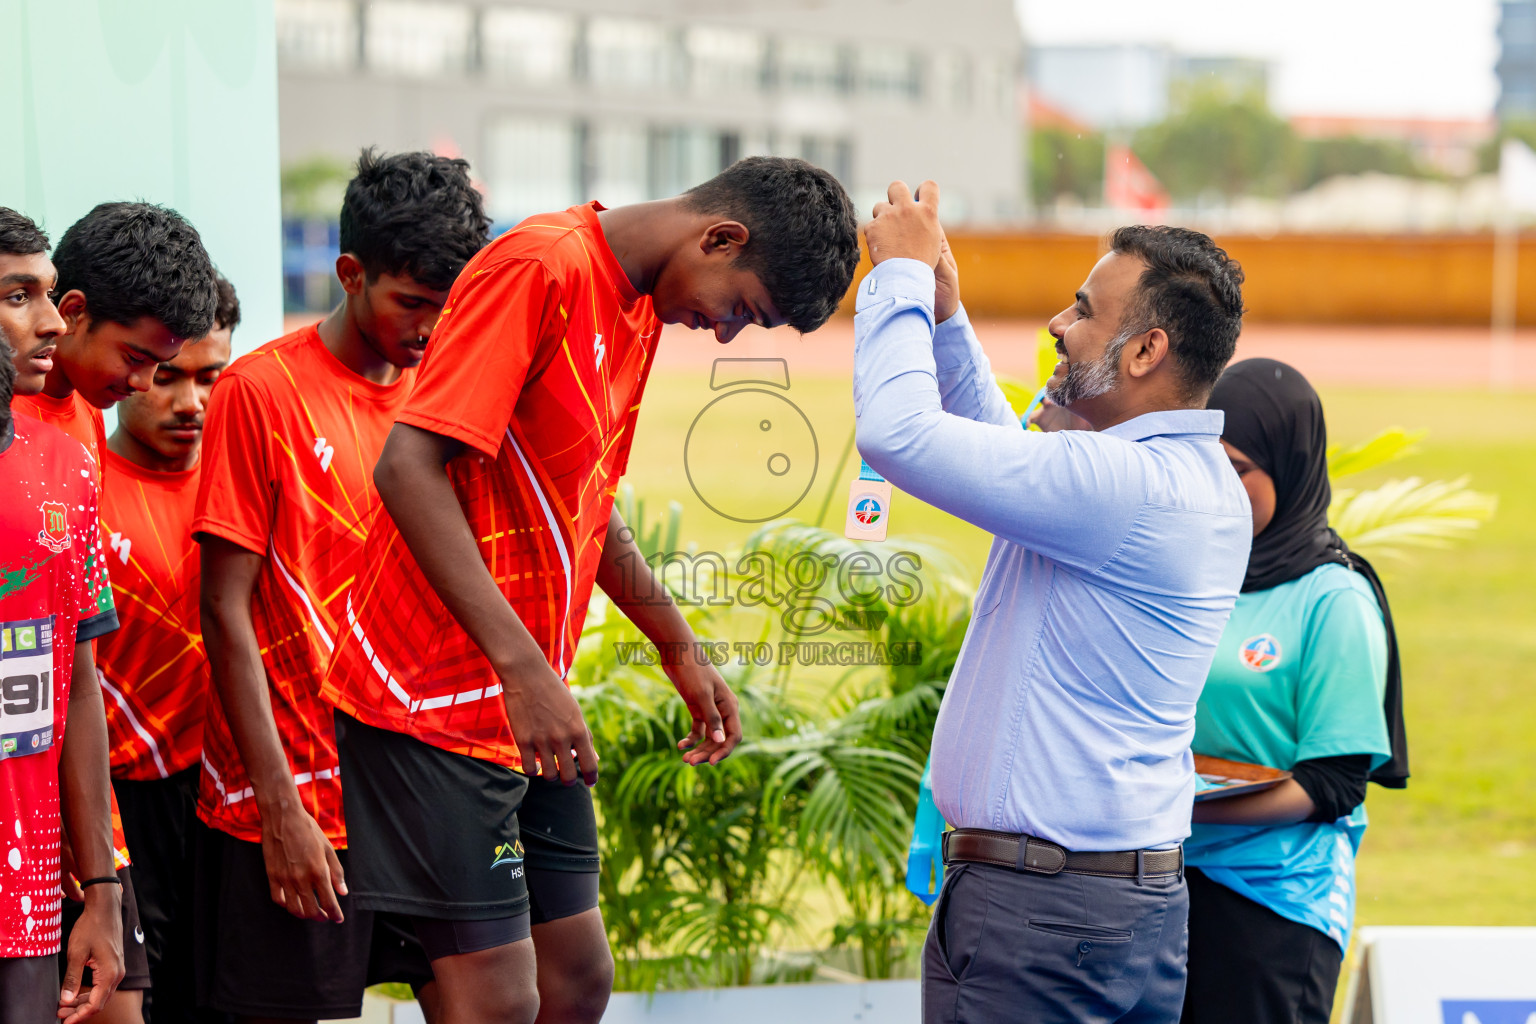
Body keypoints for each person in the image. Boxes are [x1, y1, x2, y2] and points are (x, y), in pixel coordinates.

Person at [318, 155, 860, 1024]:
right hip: (426, 699)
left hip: (520, 698)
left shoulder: (638, 307)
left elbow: (588, 503)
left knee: (576, 980)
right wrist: (523, 671)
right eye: (740, 311)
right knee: (496, 999)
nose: (723, 335)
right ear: (721, 238)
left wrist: (680, 650)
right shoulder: (541, 267)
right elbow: (407, 466)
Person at [853, 184, 1252, 1024]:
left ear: (1145, 351)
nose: (1056, 326)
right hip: (1113, 905)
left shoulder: (1118, 484)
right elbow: (1009, 456)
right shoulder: (1177, 480)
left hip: (1040, 912)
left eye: (1082, 310)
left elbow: (898, 435)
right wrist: (947, 317)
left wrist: (895, 279)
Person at [192, 148, 490, 1022]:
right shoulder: (261, 392)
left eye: (449, 305)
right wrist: (281, 809)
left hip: (422, 789)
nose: (432, 327)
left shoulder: (449, 395)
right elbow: (225, 608)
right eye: (411, 302)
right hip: (296, 799)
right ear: (350, 274)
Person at [10, 202, 217, 1024]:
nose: (140, 385)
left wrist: (100, 874)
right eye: (137, 359)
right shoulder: (12, 425)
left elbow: (77, 665)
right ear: (74, 312)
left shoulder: (84, 428)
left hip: (86, 807)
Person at [1180, 358, 1406, 1024]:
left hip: (1274, 910)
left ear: (1289, 464)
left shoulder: (1333, 599)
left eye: (1239, 468)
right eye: (1206, 462)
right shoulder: (1186, 575)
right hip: (1161, 891)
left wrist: (1179, 812)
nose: (1219, 486)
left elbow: (1334, 783)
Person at [94, 271, 238, 1024]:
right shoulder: (82, 486)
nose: (190, 403)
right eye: (168, 377)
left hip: (231, 797)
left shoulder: (245, 476)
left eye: (212, 376)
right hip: (123, 806)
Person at [0, 207, 125, 1023]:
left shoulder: (68, 465)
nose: (51, 321)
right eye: (19, 295)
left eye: (49, 294)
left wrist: (103, 887)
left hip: (28, 895)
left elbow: (77, 685)